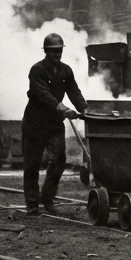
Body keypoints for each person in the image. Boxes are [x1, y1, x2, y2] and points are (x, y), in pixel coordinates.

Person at [22, 32, 88, 216]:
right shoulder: (37, 70)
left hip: (54, 124)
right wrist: (62, 107)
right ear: (46, 52)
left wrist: (85, 109)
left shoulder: (65, 71)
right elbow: (43, 94)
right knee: (32, 164)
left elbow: (74, 92)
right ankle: (32, 204)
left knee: (59, 158)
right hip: (35, 123)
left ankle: (48, 198)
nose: (56, 55)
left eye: (59, 51)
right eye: (53, 52)